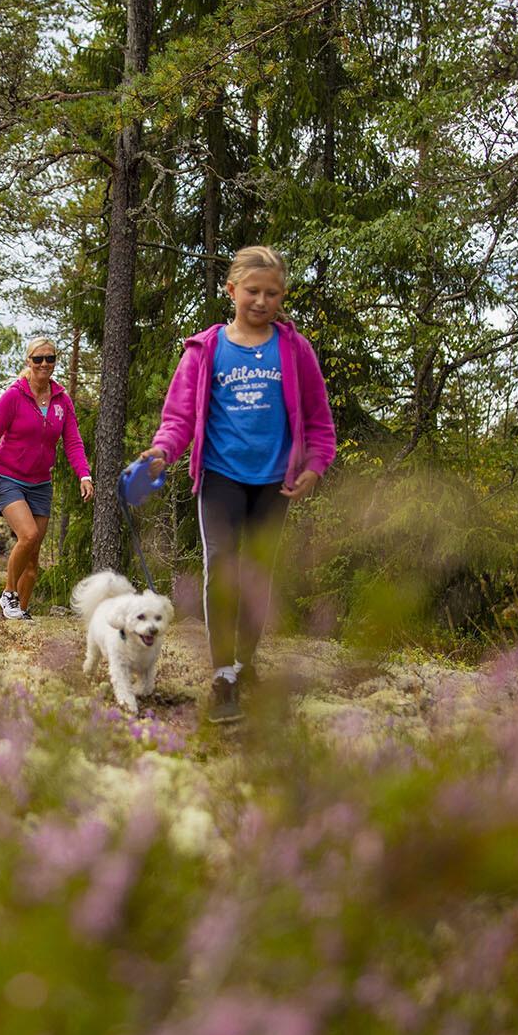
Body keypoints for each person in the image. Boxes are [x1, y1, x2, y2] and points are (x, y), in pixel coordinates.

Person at [139, 246, 336, 724]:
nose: (262, 301)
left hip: (276, 482)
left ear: (281, 295)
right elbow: (180, 417)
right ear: (232, 291)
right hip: (221, 476)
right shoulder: (206, 349)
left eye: (272, 293)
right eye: (252, 291)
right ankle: (222, 676)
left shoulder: (294, 349)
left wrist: (315, 465)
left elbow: (317, 418)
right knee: (223, 573)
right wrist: (163, 450)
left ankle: (246, 664)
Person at [0, 338, 94, 620]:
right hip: (8, 478)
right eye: (38, 359)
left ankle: (18, 615)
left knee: (32, 559)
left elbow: (73, 441)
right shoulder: (14, 396)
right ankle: (8, 594)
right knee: (28, 535)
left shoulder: (62, 400)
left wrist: (84, 475)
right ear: (28, 362)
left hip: (40, 483)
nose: (44, 364)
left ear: (55, 362)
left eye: (49, 359)